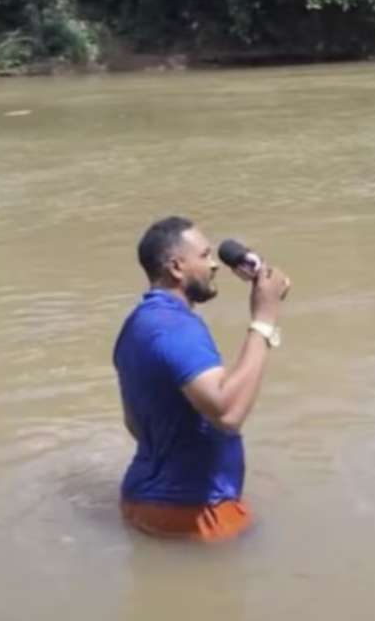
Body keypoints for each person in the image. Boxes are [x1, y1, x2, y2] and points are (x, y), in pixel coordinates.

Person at [113, 216, 290, 542]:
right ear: (177, 267)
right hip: (195, 514)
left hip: (139, 500)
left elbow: (135, 425)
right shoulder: (178, 329)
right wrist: (264, 319)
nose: (215, 265)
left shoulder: (136, 325)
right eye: (205, 256)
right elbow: (227, 413)